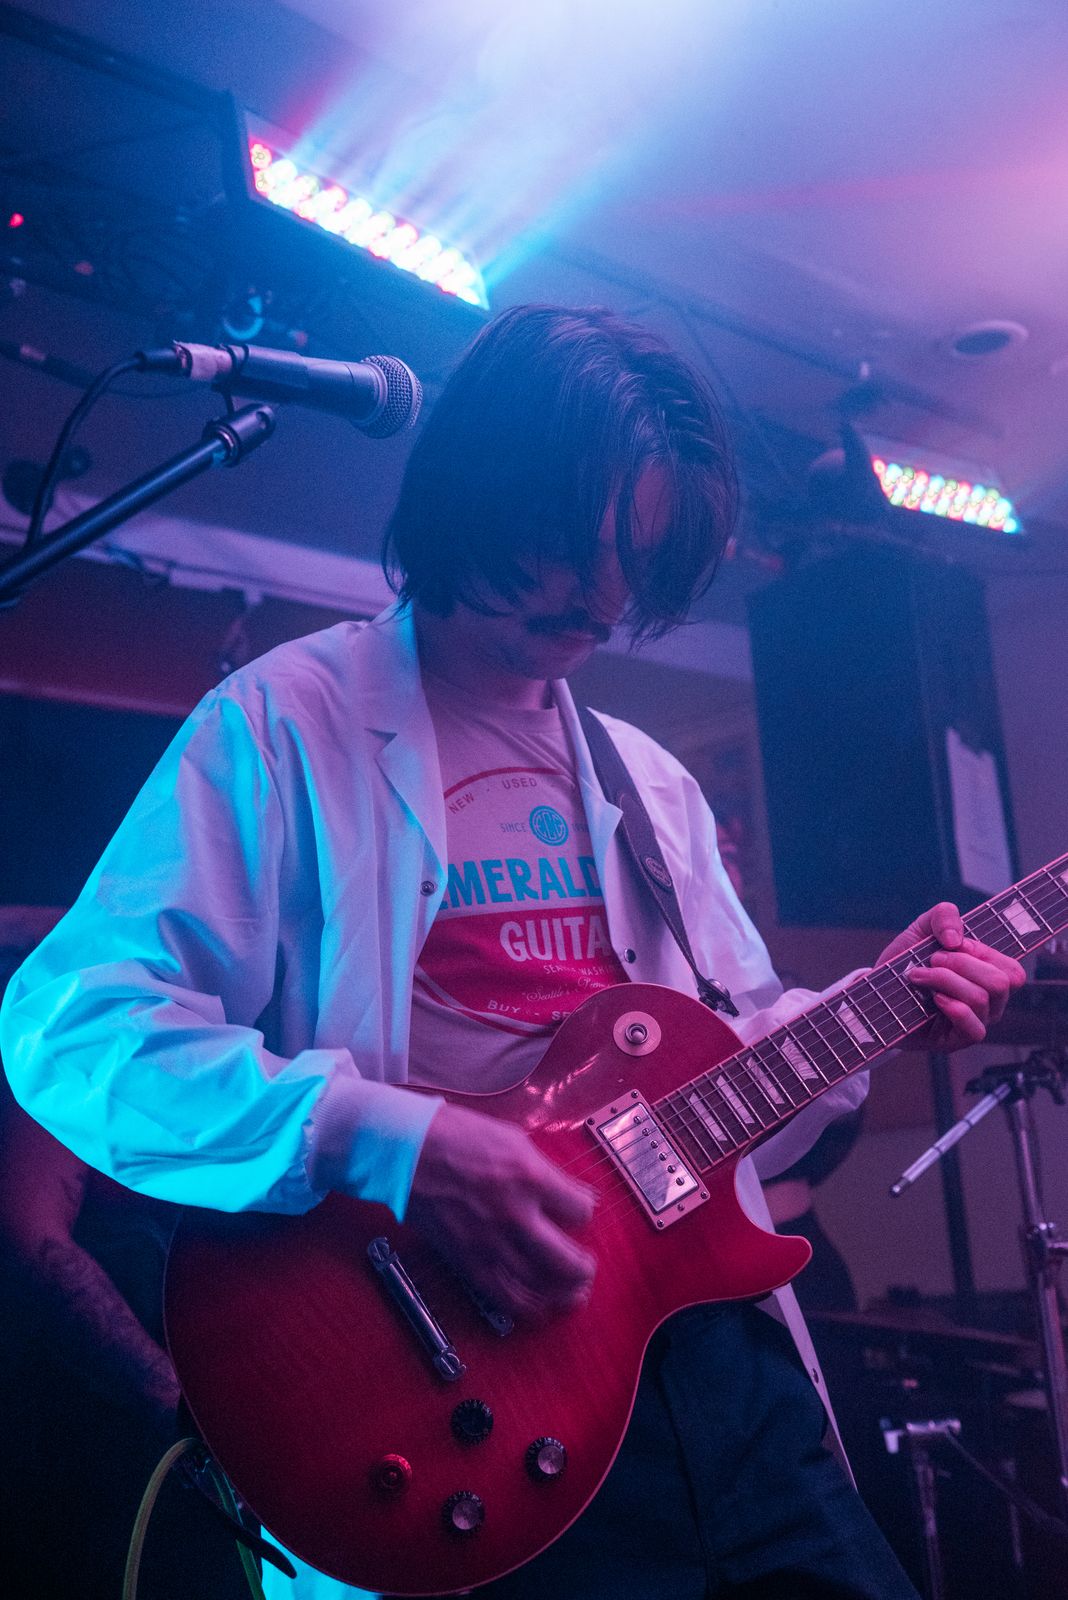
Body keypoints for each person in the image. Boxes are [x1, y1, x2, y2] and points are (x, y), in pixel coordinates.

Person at [0, 305, 1024, 1599]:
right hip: (461, 1396)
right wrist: (394, 1141)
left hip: (719, 1375)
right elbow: (70, 1026)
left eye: (637, 559)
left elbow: (727, 1080)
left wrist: (880, 1009)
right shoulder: (279, 724)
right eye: (577, 544)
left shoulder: (648, 779)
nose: (603, 596)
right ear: (479, 490)